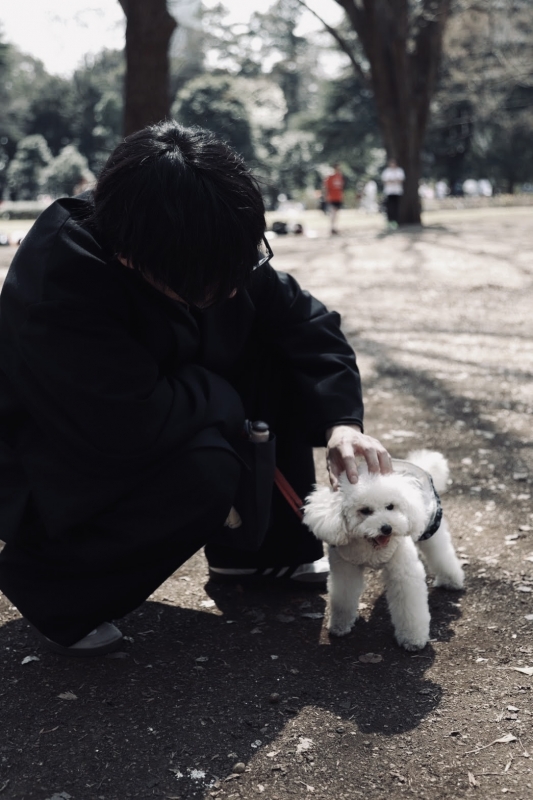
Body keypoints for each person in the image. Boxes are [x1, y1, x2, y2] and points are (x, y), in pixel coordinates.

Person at [0, 121, 391, 657]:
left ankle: (260, 554)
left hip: (163, 398)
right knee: (207, 468)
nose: (231, 288)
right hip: (57, 458)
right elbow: (126, 423)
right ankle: (55, 590)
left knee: (273, 350)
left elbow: (305, 323)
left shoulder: (204, 236)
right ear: (133, 260)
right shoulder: (60, 285)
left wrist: (342, 423)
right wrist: (226, 399)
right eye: (213, 281)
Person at [381, 159, 405, 229]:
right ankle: (389, 221)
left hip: (397, 192)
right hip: (389, 192)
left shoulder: (399, 171)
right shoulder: (386, 171)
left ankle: (396, 221)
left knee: (396, 207)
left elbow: (401, 180)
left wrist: (392, 181)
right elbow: (385, 181)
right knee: (389, 207)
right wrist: (394, 181)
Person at [323, 163, 344, 235]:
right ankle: (332, 228)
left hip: (338, 198)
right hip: (332, 198)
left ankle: (335, 227)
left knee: (336, 214)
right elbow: (326, 188)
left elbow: (341, 188)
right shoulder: (330, 177)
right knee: (333, 213)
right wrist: (326, 197)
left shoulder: (340, 177)